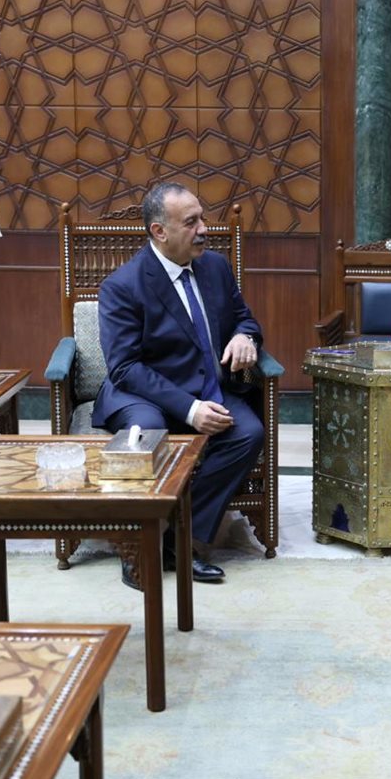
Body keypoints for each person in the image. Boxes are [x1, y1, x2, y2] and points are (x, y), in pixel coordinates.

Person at [93, 181, 265, 589]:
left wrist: (245, 337)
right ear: (159, 231)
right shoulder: (123, 286)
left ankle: (176, 541)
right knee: (147, 433)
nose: (204, 229)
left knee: (248, 433)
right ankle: (137, 548)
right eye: (191, 222)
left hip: (208, 387)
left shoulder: (216, 268)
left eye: (202, 218)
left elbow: (244, 317)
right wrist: (190, 410)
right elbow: (125, 367)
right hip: (144, 393)